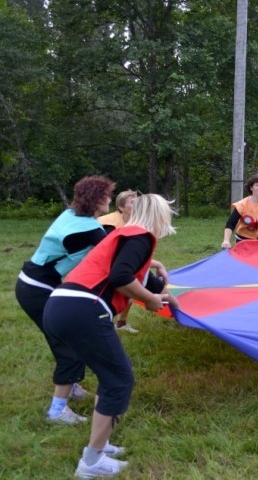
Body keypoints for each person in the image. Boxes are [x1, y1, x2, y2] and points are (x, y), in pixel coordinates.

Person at [43, 194, 179, 478]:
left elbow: (146, 284)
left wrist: (169, 301)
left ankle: (100, 445)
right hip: (84, 308)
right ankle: (92, 463)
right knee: (120, 380)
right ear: (159, 215)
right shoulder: (140, 237)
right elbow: (121, 278)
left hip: (61, 305)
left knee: (110, 378)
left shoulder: (126, 237)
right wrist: (151, 300)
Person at [15, 175, 115, 424]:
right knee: (69, 344)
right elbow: (117, 259)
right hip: (38, 288)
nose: (110, 200)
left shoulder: (72, 215)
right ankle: (57, 411)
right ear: (96, 199)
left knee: (63, 339)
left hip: (31, 283)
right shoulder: (90, 229)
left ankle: (70, 387)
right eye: (107, 195)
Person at [98, 190, 169, 333]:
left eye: (137, 202)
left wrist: (157, 264)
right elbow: (116, 265)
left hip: (121, 270)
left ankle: (178, 311)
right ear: (121, 207)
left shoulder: (136, 228)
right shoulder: (111, 226)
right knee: (131, 284)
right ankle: (107, 322)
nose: (136, 205)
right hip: (101, 276)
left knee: (149, 284)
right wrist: (149, 298)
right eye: (132, 202)